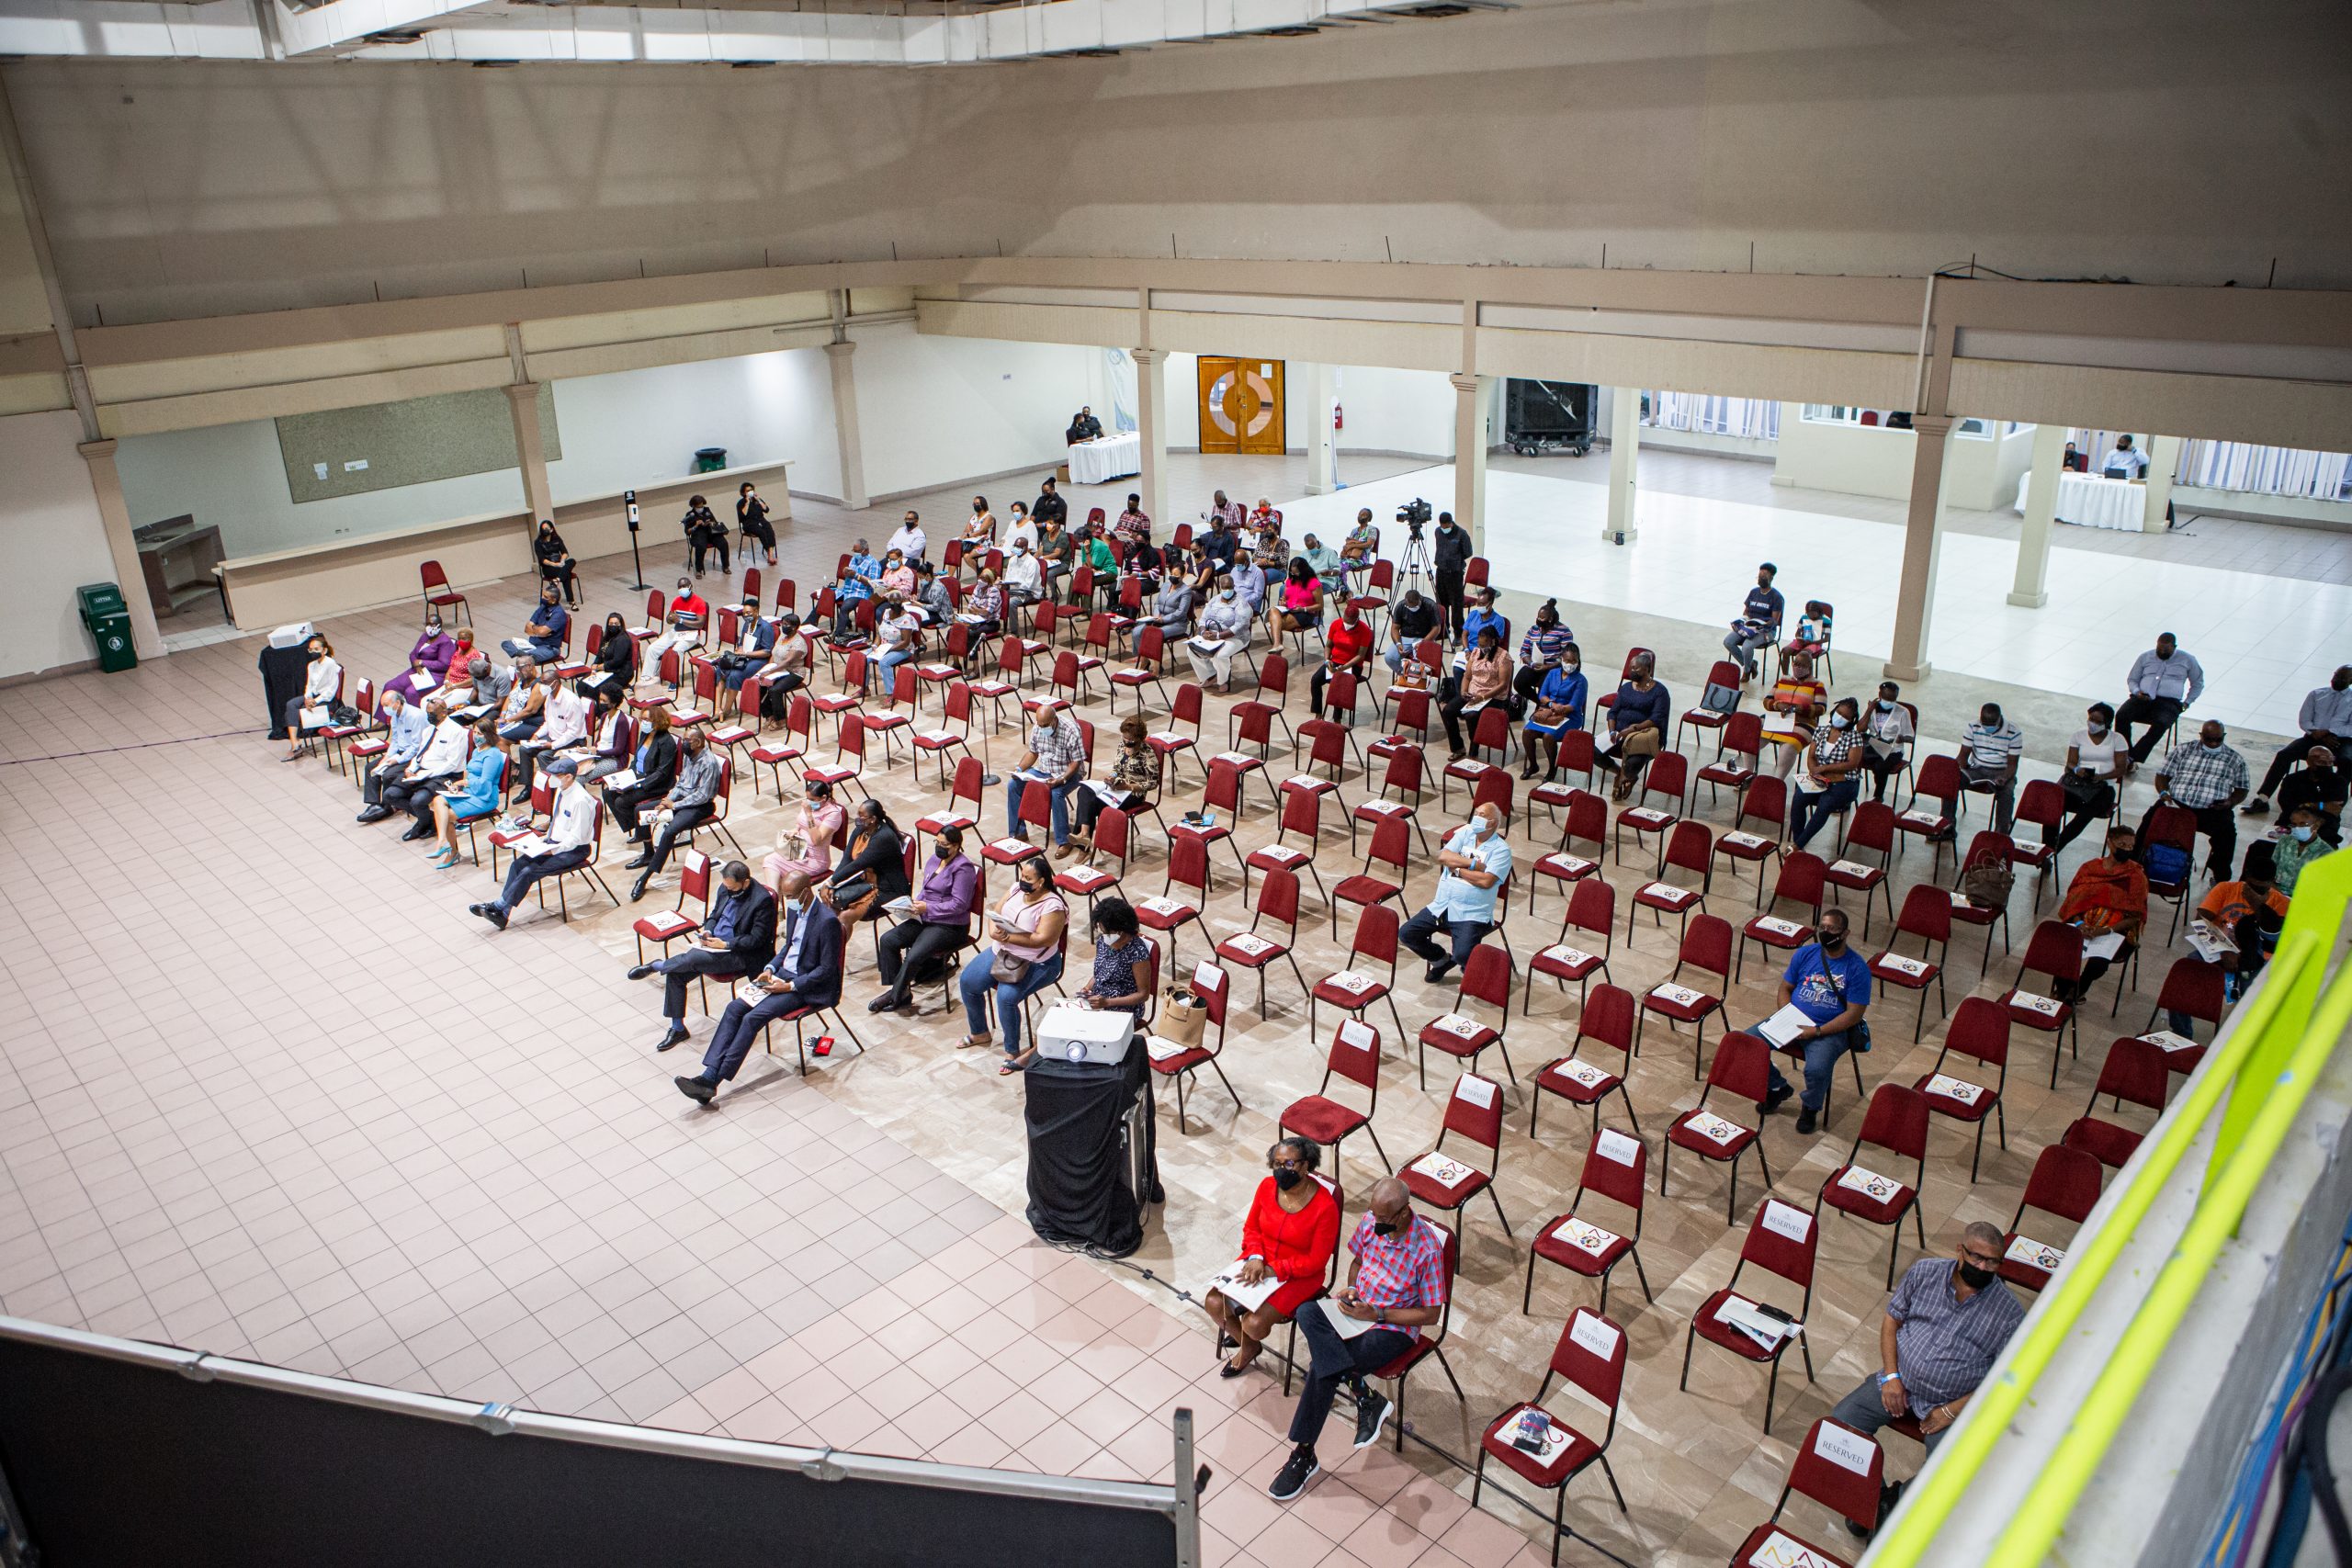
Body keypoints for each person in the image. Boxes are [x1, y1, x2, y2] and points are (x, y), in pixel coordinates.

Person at [1828, 1225, 2024, 1531]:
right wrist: (1892, 1376)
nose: (1983, 1267)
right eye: (1976, 1257)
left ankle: (1892, 1504)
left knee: (1948, 1473)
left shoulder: (2009, 1313)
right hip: (1899, 1383)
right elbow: (1892, 1320)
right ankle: (1873, 1498)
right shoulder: (1925, 1273)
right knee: (1839, 1425)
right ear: (1960, 1250)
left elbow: (2005, 1378)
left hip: (1951, 1403)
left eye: (1993, 1262)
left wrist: (1951, 1411)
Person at [1265, 1177, 1447, 1502]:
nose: (1375, 1222)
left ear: (1404, 1212)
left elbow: (1431, 1314)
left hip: (1391, 1328)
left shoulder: (1427, 1250)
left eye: (1383, 1218)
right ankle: (1365, 1396)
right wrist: (1351, 1289)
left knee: (1323, 1369)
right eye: (1373, 1214)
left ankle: (1303, 1455)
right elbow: (1358, 1262)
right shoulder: (1372, 1220)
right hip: (1356, 1311)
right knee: (1307, 1312)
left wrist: (1377, 1314)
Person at [673, 871, 835, 1103]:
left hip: (803, 986)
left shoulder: (827, 921)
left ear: (805, 892)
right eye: (785, 895)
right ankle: (708, 1075)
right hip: (779, 975)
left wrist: (789, 986)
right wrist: (770, 968)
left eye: (791, 896)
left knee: (752, 1018)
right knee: (734, 1008)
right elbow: (788, 947)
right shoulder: (793, 911)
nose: (787, 901)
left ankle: (712, 1081)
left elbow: (826, 970)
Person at [1204, 1136, 1342, 1379]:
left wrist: (1275, 1269)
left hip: (1299, 1274)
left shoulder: (1325, 1207)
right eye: (1276, 1164)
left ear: (1306, 1165)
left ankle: (1247, 1336)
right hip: (1258, 1260)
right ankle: (1248, 1346)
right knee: (1214, 1302)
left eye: (1288, 1164)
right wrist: (1256, 1256)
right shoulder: (1267, 1186)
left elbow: (1316, 1260)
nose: (1281, 1170)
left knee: (1254, 1324)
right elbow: (1252, 1228)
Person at [628, 859, 777, 1051]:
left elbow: (756, 940)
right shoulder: (725, 888)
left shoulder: (762, 900)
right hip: (714, 945)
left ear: (746, 882)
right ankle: (678, 1028)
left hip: (740, 953)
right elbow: (714, 916)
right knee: (677, 972)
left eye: (733, 888)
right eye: (727, 887)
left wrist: (725, 944)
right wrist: (708, 931)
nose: (729, 891)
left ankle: (658, 966)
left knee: (691, 959)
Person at [1756, 908, 1870, 1136]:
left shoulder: (1857, 968)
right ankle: (1777, 1087)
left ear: (1845, 933)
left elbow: (1854, 1014)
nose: (1826, 932)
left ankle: (1810, 1108)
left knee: (1816, 1070)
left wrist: (1817, 1031)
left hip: (1829, 1030)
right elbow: (1785, 988)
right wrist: (1787, 1015)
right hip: (1793, 1020)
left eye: (1832, 929)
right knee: (1747, 1043)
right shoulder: (1805, 954)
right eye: (1822, 927)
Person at [957, 855, 1069, 1072]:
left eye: (1028, 878)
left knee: (1006, 998)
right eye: (1022, 876)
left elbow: (1043, 939)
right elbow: (995, 913)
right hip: (1003, 951)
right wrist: (993, 932)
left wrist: (1009, 938)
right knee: (968, 981)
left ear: (1041, 882)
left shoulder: (1053, 906)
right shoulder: (1016, 889)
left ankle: (1012, 1050)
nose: (1022, 881)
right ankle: (979, 1032)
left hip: (1036, 961)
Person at [468, 755, 597, 929]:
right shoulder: (562, 791)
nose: (551, 779)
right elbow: (558, 821)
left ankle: (498, 907)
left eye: (556, 776)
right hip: (553, 843)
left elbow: (577, 837)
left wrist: (552, 850)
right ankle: (503, 913)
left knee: (529, 871)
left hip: (574, 850)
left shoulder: (580, 800)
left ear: (568, 777)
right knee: (518, 865)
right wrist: (543, 840)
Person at [869, 825, 980, 1015]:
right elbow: (926, 889)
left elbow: (959, 905)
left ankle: (895, 995)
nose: (939, 847)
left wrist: (928, 907)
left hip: (950, 926)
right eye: (937, 842)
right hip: (925, 916)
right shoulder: (934, 860)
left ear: (956, 846)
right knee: (888, 940)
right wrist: (914, 904)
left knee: (914, 956)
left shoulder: (963, 869)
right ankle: (901, 990)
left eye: (944, 845)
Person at [1399, 801, 1510, 984]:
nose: (1476, 817)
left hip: (1471, 912)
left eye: (1482, 815)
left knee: (1463, 954)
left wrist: (1457, 869)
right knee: (1407, 934)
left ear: (1493, 823)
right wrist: (1473, 864)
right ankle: (1441, 961)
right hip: (1443, 905)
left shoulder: (1501, 850)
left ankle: (1477, 975)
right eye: (1476, 813)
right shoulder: (1466, 832)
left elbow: (1486, 881)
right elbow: (1444, 856)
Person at [2141, 721, 2250, 883]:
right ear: (2201, 735)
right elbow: (2162, 775)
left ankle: (2220, 878)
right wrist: (2164, 792)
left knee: (2227, 834)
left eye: (2218, 740)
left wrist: (2231, 801)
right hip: (2177, 805)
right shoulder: (2183, 750)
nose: (2213, 743)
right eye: (2208, 739)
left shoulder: (2235, 759)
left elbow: (2243, 788)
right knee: (2150, 820)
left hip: (2212, 810)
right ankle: (2135, 862)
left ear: (2224, 736)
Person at [626, 727, 726, 902]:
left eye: (687, 741)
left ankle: (645, 877)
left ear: (698, 743)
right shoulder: (689, 755)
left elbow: (703, 796)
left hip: (701, 806)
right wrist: (667, 801)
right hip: (681, 800)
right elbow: (681, 784)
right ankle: (648, 853)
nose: (683, 744)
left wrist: (675, 805)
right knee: (640, 810)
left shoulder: (709, 763)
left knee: (670, 831)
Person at [2052, 825, 2147, 1005]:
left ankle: (2079, 989)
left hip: (2115, 930)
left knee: (2098, 962)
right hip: (2083, 924)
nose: (2127, 849)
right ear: (2110, 843)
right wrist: (2080, 924)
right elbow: (2074, 902)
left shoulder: (2135, 876)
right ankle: (2064, 991)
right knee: (2063, 950)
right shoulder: (2090, 868)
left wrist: (2105, 930)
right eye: (2122, 845)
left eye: (2130, 846)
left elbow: (2135, 915)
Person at [2246, 668, 2352, 817]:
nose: (2336, 680)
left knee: (2347, 761)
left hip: (2340, 740)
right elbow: (2304, 720)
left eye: (2342, 678)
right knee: (2284, 755)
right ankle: (2262, 799)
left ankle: (2334, 804)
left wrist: (2330, 731)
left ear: (2350, 681)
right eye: (2336, 676)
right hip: (2313, 736)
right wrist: (2319, 734)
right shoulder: (2316, 694)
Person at [817, 797, 909, 945]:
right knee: (830, 901)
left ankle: (836, 954)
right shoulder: (860, 830)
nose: (858, 819)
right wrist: (831, 883)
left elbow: (858, 865)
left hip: (887, 889)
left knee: (845, 916)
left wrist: (831, 882)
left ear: (873, 819)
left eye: (862, 816)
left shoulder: (884, 837)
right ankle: (826, 948)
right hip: (865, 881)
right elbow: (847, 860)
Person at [1069, 715, 1159, 862]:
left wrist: (1128, 786)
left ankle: (1084, 847)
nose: (1126, 741)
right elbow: (1117, 768)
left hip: (1133, 794)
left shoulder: (1148, 756)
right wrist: (1112, 777)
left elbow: (1153, 783)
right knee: (1084, 791)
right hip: (1117, 787)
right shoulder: (1122, 746)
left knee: (1092, 804)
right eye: (1125, 738)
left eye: (1130, 739)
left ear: (1140, 738)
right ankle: (1084, 834)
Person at [1005, 699, 1089, 852]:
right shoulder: (1038, 727)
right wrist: (1019, 769)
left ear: (1054, 720)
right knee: (1013, 785)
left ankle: (1064, 841)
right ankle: (1019, 832)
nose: (1042, 728)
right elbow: (1033, 753)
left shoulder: (1071, 730)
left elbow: (1076, 762)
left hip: (1068, 772)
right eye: (1040, 725)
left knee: (1056, 793)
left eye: (1045, 725)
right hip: (1043, 770)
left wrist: (1061, 779)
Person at [379, 695, 469, 836]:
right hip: (422, 772)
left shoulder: (456, 731)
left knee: (417, 801)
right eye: (428, 713)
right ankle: (429, 820)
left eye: (432, 714)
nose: (429, 717)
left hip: (445, 775)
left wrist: (424, 775)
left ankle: (424, 823)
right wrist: (411, 769)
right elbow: (420, 754)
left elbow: (452, 764)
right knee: (390, 795)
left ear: (443, 713)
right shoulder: (428, 730)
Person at [424, 716, 505, 869]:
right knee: (437, 801)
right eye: (475, 732)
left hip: (485, 798)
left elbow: (484, 783)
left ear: (489, 735)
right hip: (470, 792)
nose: (476, 736)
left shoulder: (493, 755)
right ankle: (443, 841)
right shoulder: (477, 751)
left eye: (480, 733)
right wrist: (459, 788)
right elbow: (468, 773)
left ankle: (451, 850)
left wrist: (463, 783)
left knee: (446, 815)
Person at [2052, 702, 2131, 852]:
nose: (2093, 724)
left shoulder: (2117, 739)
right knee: (2054, 806)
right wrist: (2077, 769)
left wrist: (2101, 777)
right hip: (2078, 784)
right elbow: (2070, 762)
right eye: (2091, 719)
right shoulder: (2078, 736)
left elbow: (2121, 769)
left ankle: (2056, 847)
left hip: (2103, 787)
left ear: (2107, 723)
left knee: (2083, 816)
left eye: (2098, 722)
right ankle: (2048, 845)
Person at [2115, 634, 2206, 764]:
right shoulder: (2145, 657)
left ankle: (2133, 757)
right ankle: (2124, 752)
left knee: (2161, 723)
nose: (2162, 652)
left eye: (2166, 650)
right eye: (2159, 649)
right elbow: (2132, 679)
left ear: (2174, 647)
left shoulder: (2188, 660)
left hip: (2169, 702)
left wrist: (2187, 703)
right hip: (2142, 698)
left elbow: (2198, 683)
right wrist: (2136, 691)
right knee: (2121, 716)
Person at [1791, 697, 1865, 851]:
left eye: (1845, 717)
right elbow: (1811, 756)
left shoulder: (1854, 737)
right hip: (1820, 777)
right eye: (1839, 713)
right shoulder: (1821, 730)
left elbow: (1852, 764)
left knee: (1824, 805)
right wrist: (1813, 770)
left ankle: (1798, 845)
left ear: (1851, 720)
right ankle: (1798, 840)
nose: (1840, 717)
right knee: (1798, 799)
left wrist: (1824, 768)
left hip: (1845, 781)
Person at [1069, 897, 1154, 1031]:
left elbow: (1143, 994)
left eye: (1106, 932)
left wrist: (1107, 1002)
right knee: (1065, 1019)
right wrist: (1087, 988)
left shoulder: (1137, 952)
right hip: (1098, 1000)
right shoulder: (1104, 942)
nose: (1103, 936)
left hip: (1123, 1007)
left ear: (1120, 931)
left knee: (1086, 1029)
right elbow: (1100, 973)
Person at [1595, 652, 1669, 801]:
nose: (1631, 672)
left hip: (1642, 738)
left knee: (1632, 763)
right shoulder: (1626, 688)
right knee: (1592, 749)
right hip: (1619, 735)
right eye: (1631, 668)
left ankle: (1628, 775)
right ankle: (1619, 773)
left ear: (1647, 669)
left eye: (1636, 669)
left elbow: (1656, 718)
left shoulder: (1660, 692)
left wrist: (1633, 729)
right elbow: (1613, 712)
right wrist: (1612, 732)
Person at [353, 690, 432, 824]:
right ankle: (374, 805)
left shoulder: (415, 716)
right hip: (399, 752)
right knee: (371, 767)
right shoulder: (395, 715)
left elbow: (416, 746)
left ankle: (387, 805)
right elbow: (395, 740)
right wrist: (387, 757)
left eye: (386, 705)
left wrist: (396, 760)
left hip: (414, 756)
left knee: (388, 774)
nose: (385, 709)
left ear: (398, 703)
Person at [1949, 702, 2024, 837]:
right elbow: (1963, 755)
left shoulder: (2013, 731)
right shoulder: (1973, 726)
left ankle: (2000, 835)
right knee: (1951, 782)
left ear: (2000, 718)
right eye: (1985, 725)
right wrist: (1956, 769)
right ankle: (1947, 826)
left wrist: (2004, 777)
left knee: (2006, 793)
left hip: (2002, 771)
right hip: (1977, 768)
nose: (1988, 728)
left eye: (1992, 725)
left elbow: (2013, 765)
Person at [605, 707, 680, 845]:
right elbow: (636, 759)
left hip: (655, 784)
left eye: (647, 719)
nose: (643, 722)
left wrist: (636, 785)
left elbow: (661, 773)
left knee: (621, 802)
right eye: (642, 719)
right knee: (608, 793)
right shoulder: (645, 734)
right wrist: (627, 776)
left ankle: (642, 832)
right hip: (637, 777)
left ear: (657, 721)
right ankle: (637, 827)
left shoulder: (666, 742)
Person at [1438, 626, 1513, 760]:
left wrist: (1483, 697)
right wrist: (1463, 691)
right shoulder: (1476, 652)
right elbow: (1467, 676)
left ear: (1493, 641)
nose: (1481, 647)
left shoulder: (1503, 657)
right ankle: (1458, 748)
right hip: (1473, 693)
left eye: (1484, 645)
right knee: (1448, 711)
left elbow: (1503, 684)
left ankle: (1474, 751)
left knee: (1471, 716)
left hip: (1493, 697)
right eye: (1480, 644)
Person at [515, 665, 589, 799]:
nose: (542, 686)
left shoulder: (571, 701)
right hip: (553, 737)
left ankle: (553, 792)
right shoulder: (549, 697)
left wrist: (553, 745)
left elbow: (573, 732)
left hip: (573, 741)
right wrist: (537, 735)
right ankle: (528, 787)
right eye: (541, 682)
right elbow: (548, 722)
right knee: (524, 749)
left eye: (544, 683)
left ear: (555, 683)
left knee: (543, 755)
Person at [1520, 642, 1588, 780]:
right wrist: (1552, 705)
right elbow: (1542, 695)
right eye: (1567, 660)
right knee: (1527, 732)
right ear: (1561, 659)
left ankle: (1552, 769)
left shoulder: (1581, 680)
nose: (1570, 664)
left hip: (1570, 716)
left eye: (1573, 661)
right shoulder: (1553, 673)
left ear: (1578, 661)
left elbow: (1574, 705)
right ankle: (1533, 765)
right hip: (1549, 712)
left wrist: (1560, 709)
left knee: (1548, 736)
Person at [1759, 651, 1826, 781]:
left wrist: (1800, 708)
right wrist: (1777, 705)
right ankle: (1748, 775)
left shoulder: (1817, 685)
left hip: (1803, 723)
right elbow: (1767, 700)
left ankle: (1777, 781)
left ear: (1809, 667)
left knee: (1788, 746)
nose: (1798, 668)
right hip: (1779, 720)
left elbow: (1821, 708)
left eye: (1802, 665)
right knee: (1751, 734)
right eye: (1796, 664)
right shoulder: (1783, 680)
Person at [1185, 581, 1254, 693]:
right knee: (1191, 649)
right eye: (1224, 588)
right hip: (1212, 635)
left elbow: (1239, 626)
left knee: (1220, 655)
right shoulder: (1215, 600)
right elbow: (1203, 619)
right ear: (1220, 588)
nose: (1227, 590)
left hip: (1236, 638)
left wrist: (1218, 636)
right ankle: (1211, 676)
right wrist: (1203, 632)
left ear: (1233, 587)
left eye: (1229, 588)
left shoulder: (1241, 603)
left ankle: (1222, 681)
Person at [1310, 603, 1374, 721]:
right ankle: (1318, 714)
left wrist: (1344, 667)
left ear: (1356, 620)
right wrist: (1327, 660)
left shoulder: (1364, 630)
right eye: (1345, 621)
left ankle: (1337, 719)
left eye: (1349, 623)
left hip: (1353, 666)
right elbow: (1328, 646)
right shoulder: (1336, 624)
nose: (1346, 625)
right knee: (1315, 680)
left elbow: (1360, 655)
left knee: (1338, 683)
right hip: (1334, 662)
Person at [283, 633, 343, 761]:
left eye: (316, 649)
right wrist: (307, 698)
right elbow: (309, 686)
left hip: (327, 700)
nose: (313, 652)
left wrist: (315, 701)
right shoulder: (311, 665)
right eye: (311, 650)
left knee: (295, 713)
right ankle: (294, 742)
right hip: (313, 697)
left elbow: (331, 690)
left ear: (324, 650)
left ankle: (295, 746)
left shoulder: (330, 664)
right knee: (291, 704)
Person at [1724, 562, 1785, 682]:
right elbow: (1746, 611)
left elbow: (1774, 621)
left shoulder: (1777, 597)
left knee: (1747, 646)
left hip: (1766, 631)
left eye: (1764, 576)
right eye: (1759, 576)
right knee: (1728, 642)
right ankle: (1751, 664)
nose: (1761, 578)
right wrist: (1743, 621)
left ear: (1771, 578)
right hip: (1749, 627)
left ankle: (1746, 671)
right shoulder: (1754, 592)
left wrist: (1762, 625)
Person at [384, 609, 458, 708]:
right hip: (418, 670)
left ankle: (416, 717)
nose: (429, 627)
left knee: (410, 692)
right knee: (390, 686)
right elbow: (413, 653)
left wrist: (422, 662)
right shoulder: (425, 636)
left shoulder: (445, 641)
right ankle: (385, 717)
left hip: (435, 675)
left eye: (432, 625)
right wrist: (417, 665)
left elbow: (444, 664)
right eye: (427, 624)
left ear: (439, 626)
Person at [2275, 746, 2347, 845]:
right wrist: (2320, 805)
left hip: (2323, 825)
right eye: (2322, 762)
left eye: (2330, 762)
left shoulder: (2339, 782)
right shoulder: (2292, 780)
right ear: (2309, 761)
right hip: (2292, 823)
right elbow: (2287, 806)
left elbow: (2334, 809)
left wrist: (2304, 805)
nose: (2327, 766)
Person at [1860, 682, 1915, 804]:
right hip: (1873, 745)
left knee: (1880, 766)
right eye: (1887, 698)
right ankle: (1849, 795)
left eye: (1893, 699)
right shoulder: (1871, 708)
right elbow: (1860, 729)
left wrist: (1903, 738)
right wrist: (1869, 710)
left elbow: (1911, 737)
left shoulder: (1903, 712)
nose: (1889, 701)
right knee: (1853, 758)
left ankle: (1878, 796)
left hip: (1892, 750)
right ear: (1880, 695)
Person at [1512, 600, 1574, 707]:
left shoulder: (1563, 631)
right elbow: (1524, 651)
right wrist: (1531, 663)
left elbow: (1566, 655)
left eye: (1542, 618)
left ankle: (1543, 705)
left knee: (1544, 686)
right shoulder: (1533, 630)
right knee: (1519, 682)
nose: (1538, 620)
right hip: (1535, 665)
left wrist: (1548, 666)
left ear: (1550, 619)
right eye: (1538, 617)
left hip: (1554, 667)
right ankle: (1539, 702)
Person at [640, 578, 709, 675]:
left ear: (690, 586)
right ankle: (647, 677)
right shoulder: (677, 601)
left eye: (684, 586)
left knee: (677, 650)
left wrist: (681, 620)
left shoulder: (699, 602)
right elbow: (669, 619)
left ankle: (674, 679)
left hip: (692, 635)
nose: (682, 589)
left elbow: (700, 624)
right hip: (676, 632)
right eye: (679, 587)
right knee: (652, 648)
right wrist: (670, 618)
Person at [492, 655, 548, 769]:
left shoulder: (539, 685)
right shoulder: (521, 679)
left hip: (529, 722)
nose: (518, 671)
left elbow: (529, 710)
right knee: (488, 733)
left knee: (500, 739)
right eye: (517, 668)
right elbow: (510, 698)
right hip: (511, 719)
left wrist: (507, 720)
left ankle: (511, 768)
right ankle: (498, 765)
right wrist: (502, 715)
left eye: (520, 668)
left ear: (530, 666)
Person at [715, 597, 777, 694]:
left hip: (759, 660)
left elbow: (766, 652)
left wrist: (746, 654)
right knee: (721, 668)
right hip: (744, 656)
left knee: (734, 675)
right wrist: (740, 650)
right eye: (744, 613)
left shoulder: (766, 627)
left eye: (748, 613)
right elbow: (741, 643)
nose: (745, 616)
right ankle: (718, 704)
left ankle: (728, 704)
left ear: (756, 611)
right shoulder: (747, 624)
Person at [1126, 573, 1193, 653]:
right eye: (1171, 573)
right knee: (1136, 631)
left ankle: (1150, 660)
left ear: (1182, 576)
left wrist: (1163, 619)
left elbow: (1181, 612)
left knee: (1153, 634)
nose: (1172, 576)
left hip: (1177, 623)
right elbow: (1157, 604)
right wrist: (1156, 615)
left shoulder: (1186, 590)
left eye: (1176, 574)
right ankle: (1141, 657)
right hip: (1158, 619)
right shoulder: (1165, 586)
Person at [576, 688, 632, 782]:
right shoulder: (604, 716)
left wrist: (596, 752)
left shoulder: (621, 721)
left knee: (580, 778)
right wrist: (590, 750)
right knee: (569, 768)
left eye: (604, 701)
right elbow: (599, 741)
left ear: (613, 703)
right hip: (599, 754)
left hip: (615, 760)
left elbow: (618, 750)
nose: (601, 703)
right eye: (600, 699)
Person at [1381, 589, 1441, 677]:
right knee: (1390, 657)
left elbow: (1436, 628)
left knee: (1426, 661)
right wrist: (1398, 643)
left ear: (1419, 600)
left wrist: (1424, 643)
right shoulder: (1401, 606)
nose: (1411, 608)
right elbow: (1395, 628)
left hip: (1425, 637)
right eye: (1409, 606)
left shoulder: (1430, 605)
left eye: (1414, 606)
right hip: (1406, 637)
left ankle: (1421, 677)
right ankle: (1406, 675)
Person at [1430, 511, 1471, 640]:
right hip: (1441, 572)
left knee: (1456, 605)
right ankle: (1443, 630)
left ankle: (1458, 633)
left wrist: (1455, 560)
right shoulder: (1438, 532)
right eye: (1442, 526)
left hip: (1455, 574)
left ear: (1451, 523)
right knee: (1441, 602)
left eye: (1446, 526)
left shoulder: (1462, 534)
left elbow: (1468, 552)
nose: (1444, 528)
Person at [2273, 805, 2331, 895]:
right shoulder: (2285, 840)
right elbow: (2272, 867)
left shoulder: (2326, 853)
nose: (2297, 828)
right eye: (2294, 824)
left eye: (2303, 824)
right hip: (2276, 892)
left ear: (2316, 826)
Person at [580, 612, 638, 700]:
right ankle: (586, 706)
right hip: (605, 670)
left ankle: (598, 708)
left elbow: (617, 661)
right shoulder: (606, 637)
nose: (613, 626)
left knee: (593, 689)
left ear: (621, 625)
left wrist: (599, 667)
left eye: (616, 624)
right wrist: (594, 667)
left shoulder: (623, 640)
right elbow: (600, 654)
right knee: (581, 685)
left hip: (620, 673)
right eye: (611, 624)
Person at [871, 595, 925, 690]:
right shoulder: (887, 612)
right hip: (884, 646)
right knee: (864, 658)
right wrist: (875, 645)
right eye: (892, 603)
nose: (894, 605)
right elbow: (880, 633)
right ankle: (865, 689)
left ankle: (891, 693)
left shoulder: (906, 618)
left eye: (897, 602)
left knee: (884, 663)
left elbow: (905, 642)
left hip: (903, 649)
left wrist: (887, 650)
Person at [533, 519, 579, 609]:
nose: (544, 530)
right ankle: (572, 602)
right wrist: (554, 564)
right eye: (543, 529)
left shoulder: (557, 539)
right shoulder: (538, 542)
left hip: (560, 565)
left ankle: (557, 579)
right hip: (548, 567)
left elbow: (565, 552)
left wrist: (562, 561)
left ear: (551, 529)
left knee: (572, 561)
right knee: (566, 575)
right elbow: (542, 559)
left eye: (546, 528)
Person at [682, 493, 728, 575]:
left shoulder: (707, 510)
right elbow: (687, 531)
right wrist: (696, 525)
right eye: (698, 507)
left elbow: (715, 522)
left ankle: (725, 566)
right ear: (694, 506)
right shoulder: (690, 515)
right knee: (701, 547)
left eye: (702, 506)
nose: (701, 508)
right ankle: (699, 570)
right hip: (698, 535)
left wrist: (710, 523)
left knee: (723, 543)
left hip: (711, 533)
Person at [736, 481, 776, 566]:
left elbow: (766, 509)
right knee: (761, 532)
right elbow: (742, 516)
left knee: (769, 530)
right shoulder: (741, 503)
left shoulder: (757, 500)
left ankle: (770, 553)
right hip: (749, 523)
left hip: (761, 520)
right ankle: (770, 555)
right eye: (748, 491)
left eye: (751, 490)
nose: (750, 492)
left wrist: (759, 500)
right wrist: (747, 503)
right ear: (743, 493)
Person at [1459, 587, 1507, 655]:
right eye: (1478, 603)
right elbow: (1464, 634)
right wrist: (1466, 650)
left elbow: (1496, 643)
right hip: (1468, 651)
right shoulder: (1473, 614)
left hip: (1485, 653)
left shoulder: (1498, 621)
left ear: (1490, 603)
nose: (1479, 606)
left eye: (1482, 604)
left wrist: (1480, 654)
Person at [1002, 538, 1046, 612]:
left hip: (1029, 592)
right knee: (997, 596)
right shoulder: (1012, 560)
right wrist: (1003, 585)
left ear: (1025, 547)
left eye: (1018, 547)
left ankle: (1013, 620)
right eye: (1015, 546)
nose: (1015, 548)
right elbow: (1008, 578)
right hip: (1013, 590)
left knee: (1011, 603)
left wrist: (1013, 588)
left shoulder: (1032, 562)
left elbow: (1028, 585)